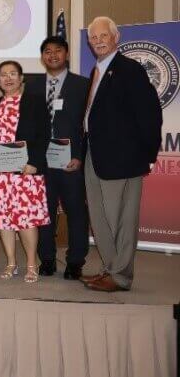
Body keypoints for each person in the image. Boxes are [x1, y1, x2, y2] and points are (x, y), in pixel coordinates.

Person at [81, 16, 162, 292]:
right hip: (94, 153)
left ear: (116, 38)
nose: (98, 41)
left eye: (103, 36)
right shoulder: (97, 70)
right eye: (93, 37)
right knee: (100, 216)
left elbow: (149, 114)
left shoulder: (129, 69)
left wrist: (148, 154)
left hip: (122, 158)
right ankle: (110, 268)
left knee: (120, 219)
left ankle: (120, 276)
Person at [0, 61, 50, 283]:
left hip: (25, 173)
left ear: (21, 78)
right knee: (4, 220)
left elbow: (44, 134)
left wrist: (35, 162)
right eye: (3, 75)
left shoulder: (35, 103)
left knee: (26, 220)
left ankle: (31, 263)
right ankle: (11, 262)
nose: (8, 78)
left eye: (13, 74)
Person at [26, 37, 90, 279]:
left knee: (76, 211)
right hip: (41, 161)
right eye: (47, 52)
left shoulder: (83, 85)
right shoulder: (32, 86)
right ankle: (48, 259)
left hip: (70, 161)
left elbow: (89, 125)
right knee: (44, 211)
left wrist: (80, 156)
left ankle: (75, 261)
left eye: (58, 51)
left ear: (66, 54)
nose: (52, 55)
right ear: (42, 57)